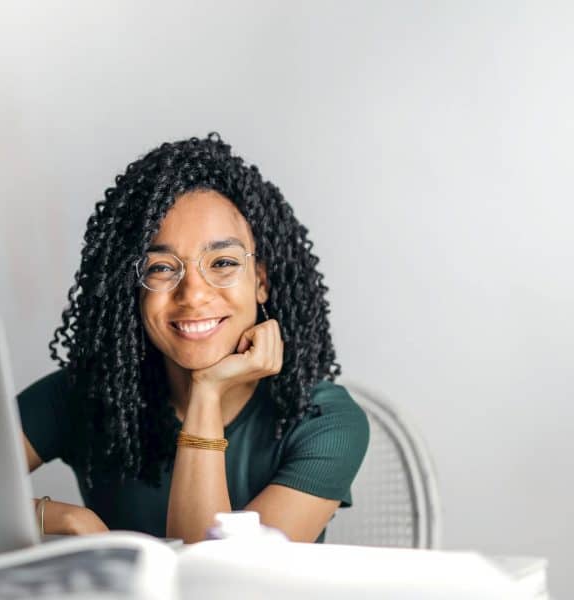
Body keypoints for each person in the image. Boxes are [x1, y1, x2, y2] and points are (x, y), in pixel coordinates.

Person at [19, 133, 369, 543]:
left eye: (222, 262)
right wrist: (58, 518)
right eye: (162, 268)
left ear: (261, 281)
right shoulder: (86, 394)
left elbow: (216, 584)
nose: (194, 294)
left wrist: (207, 390)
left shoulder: (323, 421)